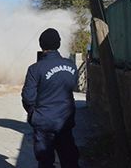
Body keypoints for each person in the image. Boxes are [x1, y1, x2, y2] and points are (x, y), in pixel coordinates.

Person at [21, 28, 79, 168]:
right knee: (69, 159)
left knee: (45, 161)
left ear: (41, 44)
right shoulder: (71, 65)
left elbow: (28, 98)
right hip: (65, 121)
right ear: (58, 44)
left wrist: (33, 114)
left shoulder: (35, 69)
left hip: (44, 123)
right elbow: (73, 85)